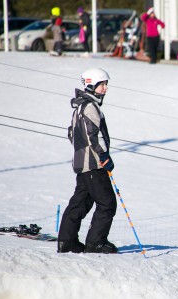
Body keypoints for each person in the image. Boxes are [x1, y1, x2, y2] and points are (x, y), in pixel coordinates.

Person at [58, 68, 118, 254]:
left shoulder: (80, 107)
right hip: (93, 165)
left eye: (106, 84)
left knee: (80, 203)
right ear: (91, 85)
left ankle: (66, 242)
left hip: (83, 164)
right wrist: (104, 157)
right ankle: (95, 243)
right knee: (107, 203)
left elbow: (72, 134)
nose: (105, 88)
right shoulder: (90, 107)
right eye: (102, 84)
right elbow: (93, 136)